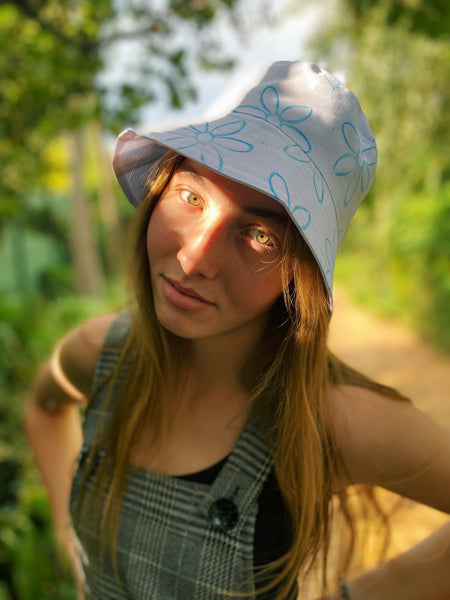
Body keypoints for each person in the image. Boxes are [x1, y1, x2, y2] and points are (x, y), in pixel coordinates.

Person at [25, 60, 450, 599]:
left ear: (300, 276)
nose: (195, 257)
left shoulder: (330, 421)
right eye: (191, 196)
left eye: (259, 236)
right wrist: (75, 542)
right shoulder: (101, 354)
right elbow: (44, 406)